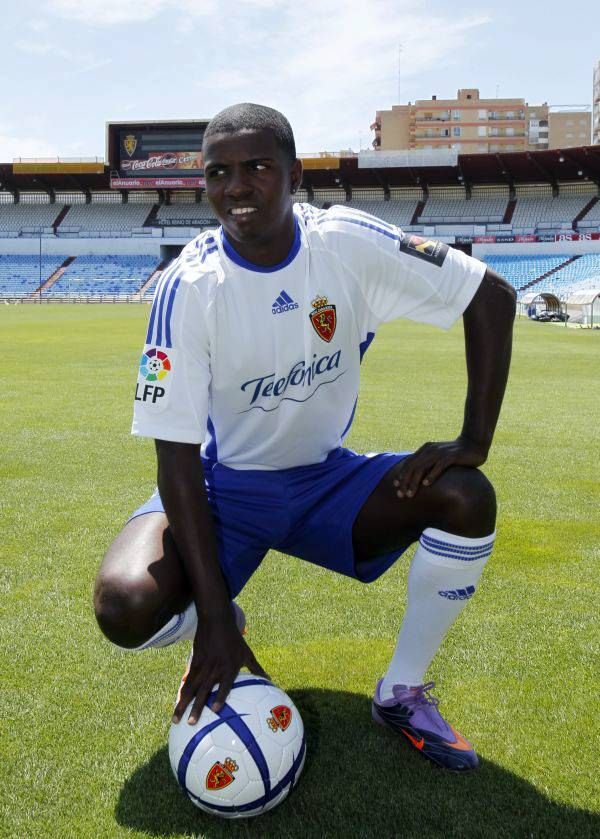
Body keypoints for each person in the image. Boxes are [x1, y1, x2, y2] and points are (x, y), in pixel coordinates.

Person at [93, 103, 516, 772]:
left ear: (294, 174)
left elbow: (489, 294)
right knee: (123, 605)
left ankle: (401, 690)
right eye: (218, 173)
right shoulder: (188, 288)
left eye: (257, 167)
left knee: (467, 495)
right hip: (220, 487)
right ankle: (226, 615)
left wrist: (474, 439)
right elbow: (174, 458)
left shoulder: (346, 244)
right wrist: (214, 617)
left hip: (325, 481)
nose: (236, 186)